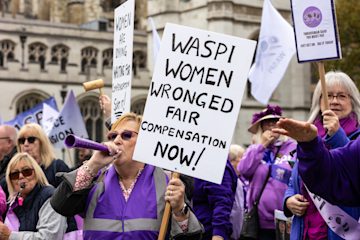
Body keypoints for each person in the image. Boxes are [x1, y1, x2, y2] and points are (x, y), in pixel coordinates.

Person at [50, 112, 203, 239]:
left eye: (126, 135)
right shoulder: (93, 179)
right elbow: (60, 205)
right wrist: (93, 164)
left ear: (144, 142)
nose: (117, 140)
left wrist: (179, 211)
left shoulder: (167, 181)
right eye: (112, 136)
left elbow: (192, 237)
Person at [283, 71, 360, 240]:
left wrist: (338, 135)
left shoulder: (357, 135)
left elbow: (351, 170)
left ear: (352, 101)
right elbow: (294, 177)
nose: (334, 101)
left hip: (342, 232)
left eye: (341, 96)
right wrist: (288, 200)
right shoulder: (307, 135)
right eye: (328, 95)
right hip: (306, 230)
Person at [238, 105, 296, 239]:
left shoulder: (293, 148)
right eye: (266, 123)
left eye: (275, 122)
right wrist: (261, 145)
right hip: (260, 222)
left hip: (287, 218)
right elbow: (243, 170)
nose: (271, 125)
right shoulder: (254, 149)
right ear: (261, 128)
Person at [273, 118, 360, 206]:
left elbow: (345, 175)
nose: (334, 103)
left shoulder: (355, 135)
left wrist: (337, 135)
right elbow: (295, 177)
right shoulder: (308, 130)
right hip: (307, 215)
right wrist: (288, 197)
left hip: (342, 217)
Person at [0, 152, 67, 239]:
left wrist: (10, 236)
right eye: (15, 174)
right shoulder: (13, 203)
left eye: (26, 171)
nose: (20, 176)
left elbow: (49, 237)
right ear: (10, 181)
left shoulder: (51, 198)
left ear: (36, 173)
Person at [193, 159, 237, 240]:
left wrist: (219, 234)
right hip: (185, 231)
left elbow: (222, 201)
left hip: (205, 232)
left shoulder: (214, 162)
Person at [16, 123, 70, 187]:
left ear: (42, 143)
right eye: (22, 141)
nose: (25, 144)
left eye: (31, 140)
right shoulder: (14, 171)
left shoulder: (58, 167)